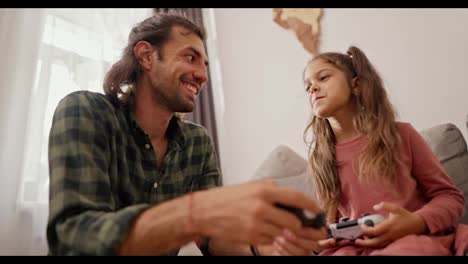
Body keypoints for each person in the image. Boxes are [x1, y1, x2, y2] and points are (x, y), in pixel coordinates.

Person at [46, 12, 326, 256]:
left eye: (205, 64)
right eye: (190, 57)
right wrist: (197, 213)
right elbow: (75, 238)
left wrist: (262, 249)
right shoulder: (85, 111)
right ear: (145, 56)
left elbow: (212, 241)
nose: (202, 75)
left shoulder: (198, 142)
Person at [301, 45, 465, 255]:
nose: (312, 88)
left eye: (323, 78)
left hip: (413, 238)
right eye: (308, 86)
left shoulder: (401, 135)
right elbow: (329, 224)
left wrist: (416, 222)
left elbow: (450, 197)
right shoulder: (321, 157)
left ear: (356, 85)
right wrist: (319, 239)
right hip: (357, 247)